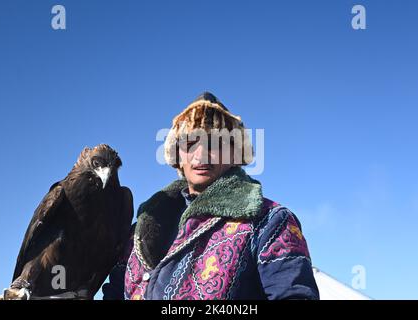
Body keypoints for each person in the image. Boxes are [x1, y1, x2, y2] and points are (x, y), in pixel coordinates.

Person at [102, 92, 319, 300]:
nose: (201, 154)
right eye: (189, 143)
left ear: (235, 152)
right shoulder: (141, 229)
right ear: (178, 156)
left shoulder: (270, 221)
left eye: (215, 143)